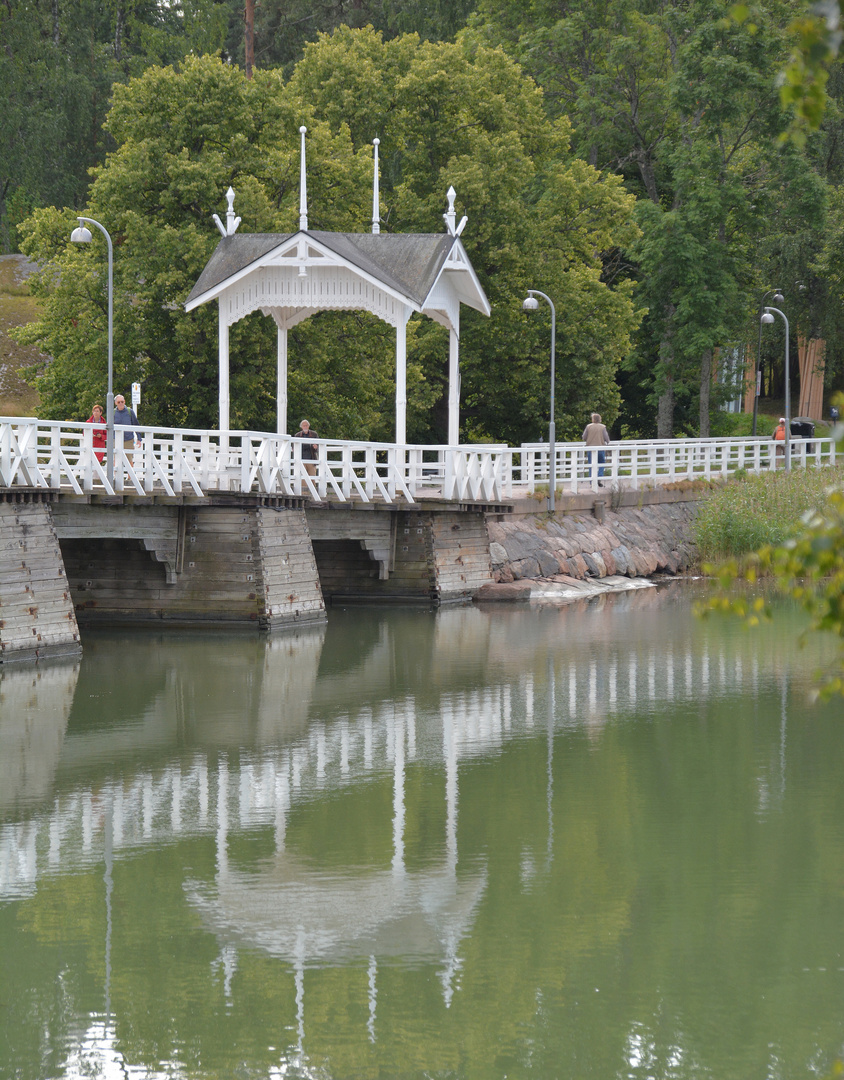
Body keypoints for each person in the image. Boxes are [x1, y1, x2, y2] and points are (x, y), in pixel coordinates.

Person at [582, 412, 610, 486]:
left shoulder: (588, 426)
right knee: (601, 463)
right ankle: (599, 477)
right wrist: (607, 442)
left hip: (590, 448)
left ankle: (592, 481)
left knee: (591, 464)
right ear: (600, 419)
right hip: (600, 448)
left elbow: (584, 437)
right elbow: (606, 438)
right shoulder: (602, 427)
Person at [113, 394, 140, 464]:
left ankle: (130, 475)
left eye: (122, 401)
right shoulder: (113, 413)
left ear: (124, 402)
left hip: (128, 439)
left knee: (130, 461)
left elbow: (136, 424)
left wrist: (139, 438)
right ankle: (115, 475)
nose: (121, 403)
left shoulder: (129, 411)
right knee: (116, 460)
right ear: (115, 403)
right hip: (116, 439)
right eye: (119, 402)